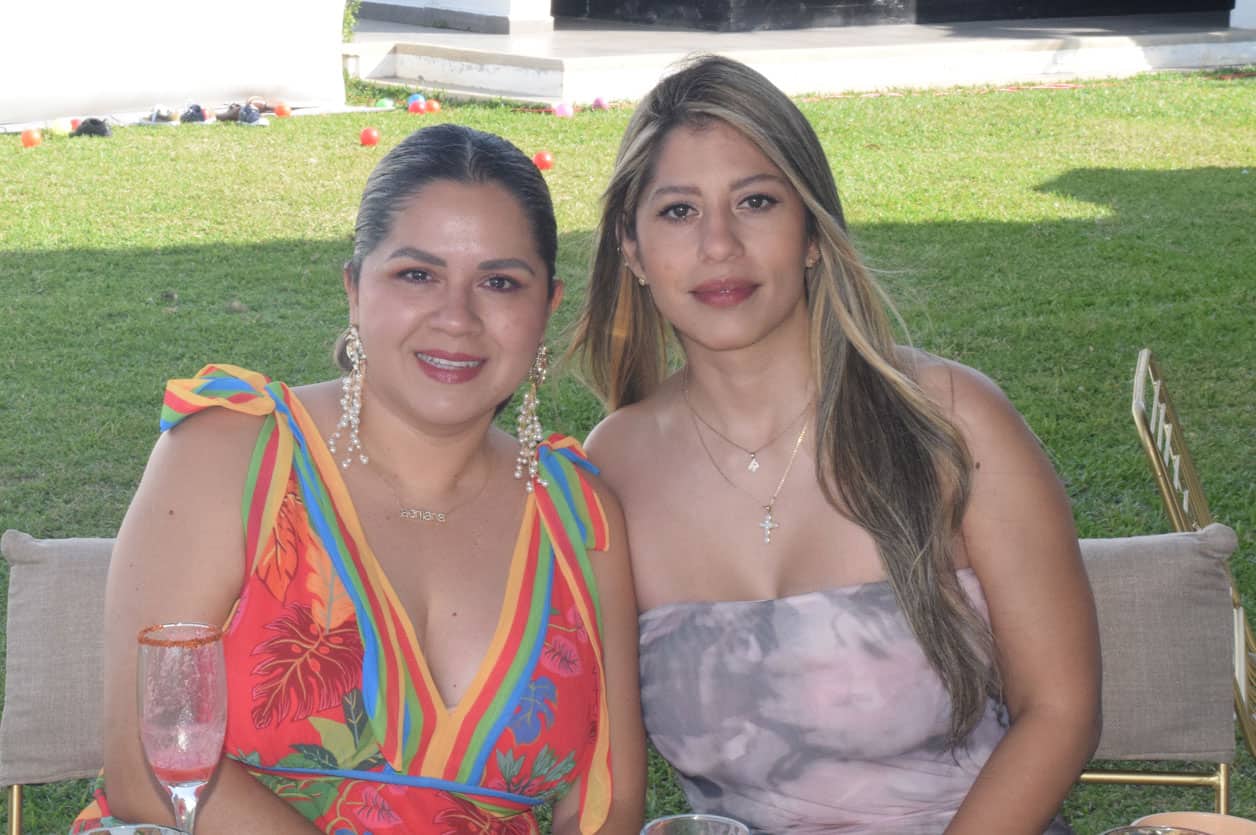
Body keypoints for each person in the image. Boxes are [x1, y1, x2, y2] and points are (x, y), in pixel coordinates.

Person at [570, 55, 1100, 835]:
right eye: (679, 211)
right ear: (632, 248)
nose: (719, 245)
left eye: (755, 202)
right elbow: (599, 768)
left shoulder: (951, 421)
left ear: (813, 233)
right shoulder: (612, 466)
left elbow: (1060, 709)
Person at [73, 123, 645, 835]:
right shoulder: (230, 453)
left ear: (547, 307)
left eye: (500, 283)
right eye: (417, 275)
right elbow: (147, 765)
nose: (457, 318)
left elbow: (607, 802)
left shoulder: (581, 518)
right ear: (354, 288)